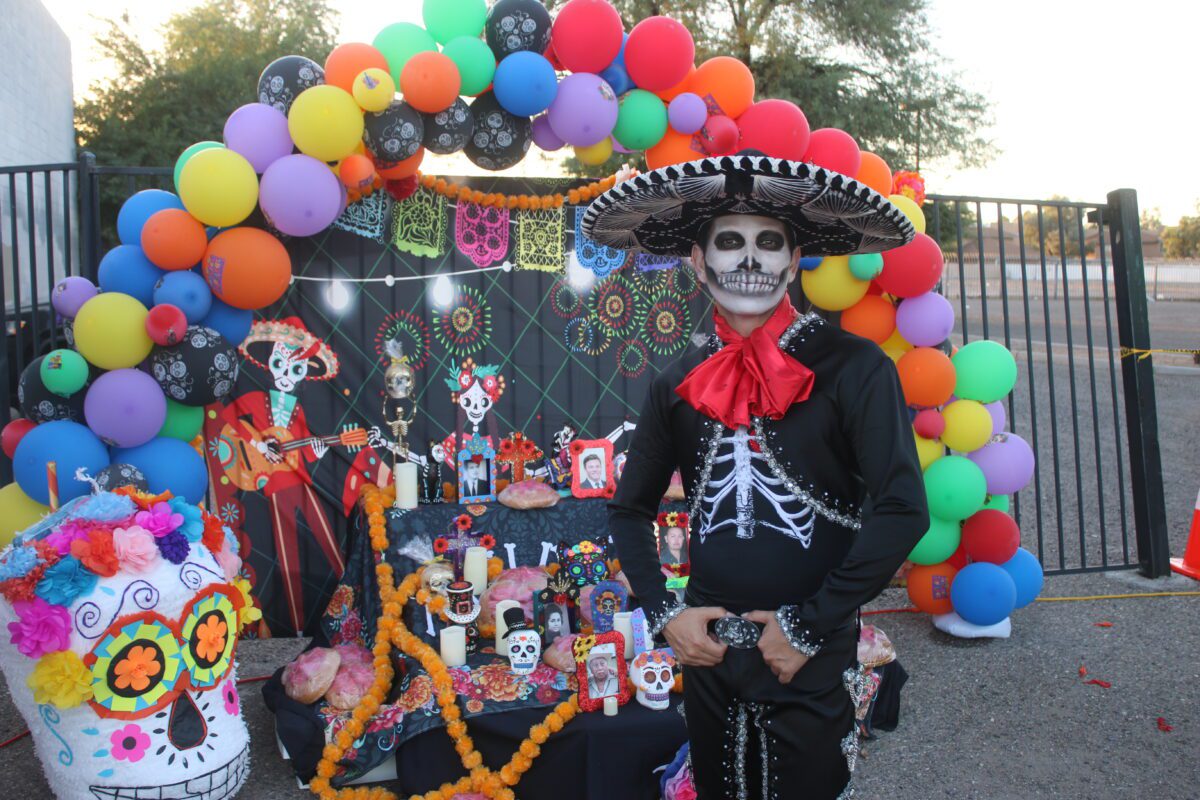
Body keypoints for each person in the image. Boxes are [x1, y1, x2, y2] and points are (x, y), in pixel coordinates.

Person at [590, 153, 929, 800]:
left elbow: (902, 509)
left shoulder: (854, 369)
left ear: (794, 256)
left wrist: (810, 625)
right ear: (697, 259)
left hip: (811, 653)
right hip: (711, 659)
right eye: (729, 242)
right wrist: (666, 613)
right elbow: (628, 511)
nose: (749, 259)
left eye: (768, 242)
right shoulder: (677, 382)